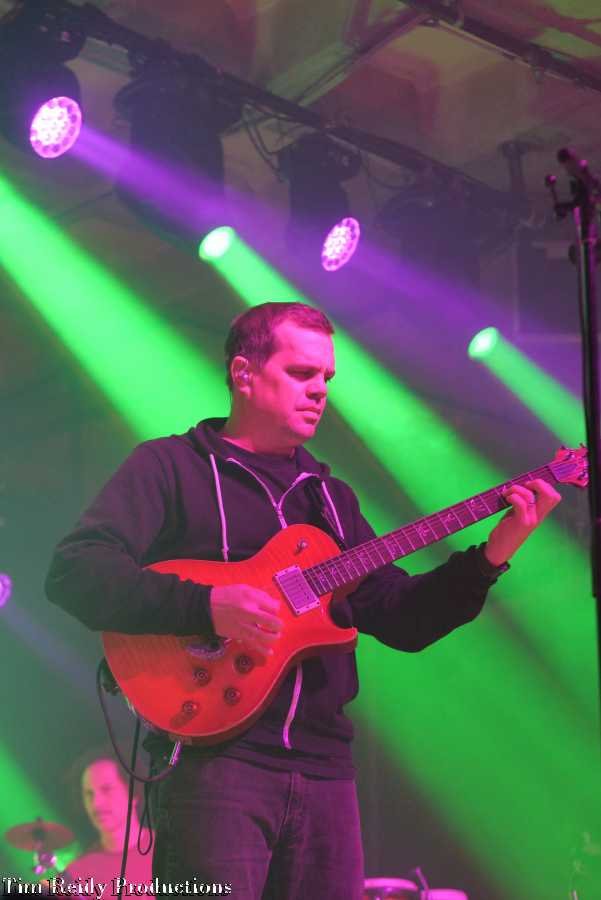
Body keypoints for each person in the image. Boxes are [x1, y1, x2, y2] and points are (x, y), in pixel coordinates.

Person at [45, 301, 561, 899]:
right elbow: (75, 571)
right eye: (301, 373)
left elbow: (403, 619)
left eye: (327, 378)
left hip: (325, 773)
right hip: (216, 768)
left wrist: (493, 555)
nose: (320, 390)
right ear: (244, 374)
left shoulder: (331, 499)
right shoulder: (172, 467)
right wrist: (207, 604)